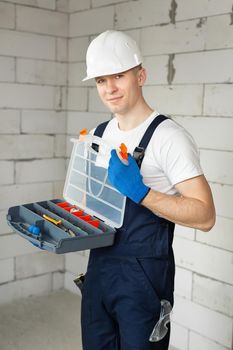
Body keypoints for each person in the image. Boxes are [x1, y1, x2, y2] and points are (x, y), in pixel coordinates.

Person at [80, 30, 215, 350]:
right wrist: (66, 223)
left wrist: (141, 193)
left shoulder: (169, 137)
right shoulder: (98, 135)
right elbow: (92, 207)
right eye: (101, 80)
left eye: (118, 76)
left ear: (140, 76)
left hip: (144, 281)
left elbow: (205, 215)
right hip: (99, 270)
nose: (109, 88)